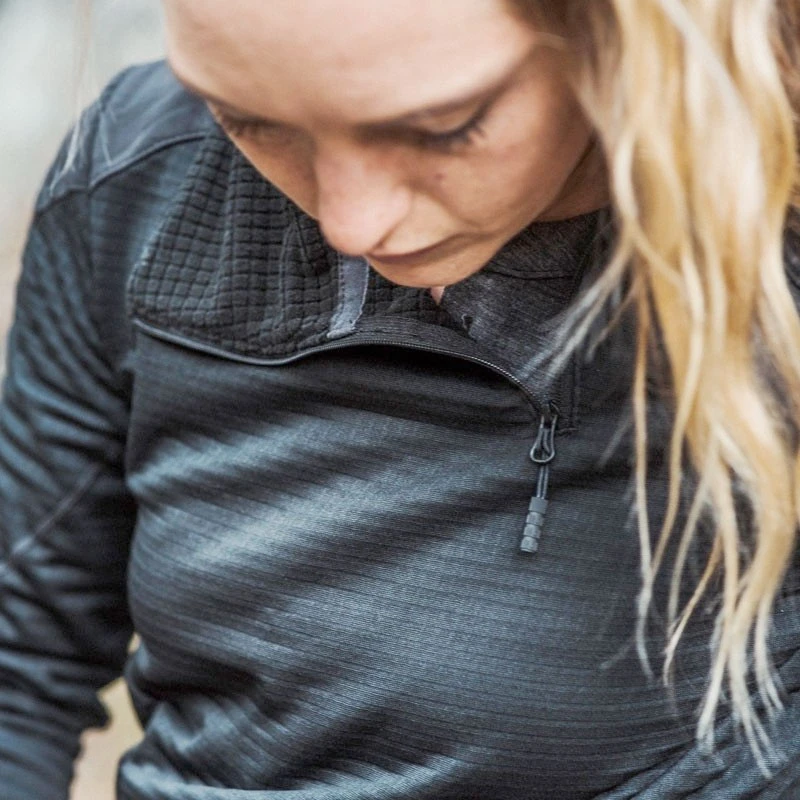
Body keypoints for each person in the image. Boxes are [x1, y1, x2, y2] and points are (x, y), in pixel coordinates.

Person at [1, 0, 799, 797]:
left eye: (440, 128)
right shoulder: (138, 177)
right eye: (249, 120)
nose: (351, 225)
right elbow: (19, 664)